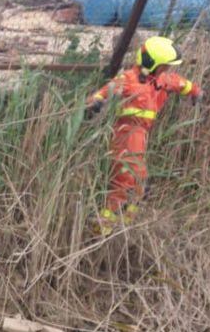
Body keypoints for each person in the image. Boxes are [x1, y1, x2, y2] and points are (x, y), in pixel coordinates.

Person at [86, 36, 203, 235]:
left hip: (141, 134)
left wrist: (197, 92)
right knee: (126, 179)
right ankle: (103, 226)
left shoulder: (163, 79)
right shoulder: (128, 79)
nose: (167, 70)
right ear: (152, 63)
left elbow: (182, 84)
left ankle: (123, 223)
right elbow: (104, 92)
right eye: (164, 66)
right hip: (126, 132)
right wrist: (94, 103)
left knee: (140, 185)